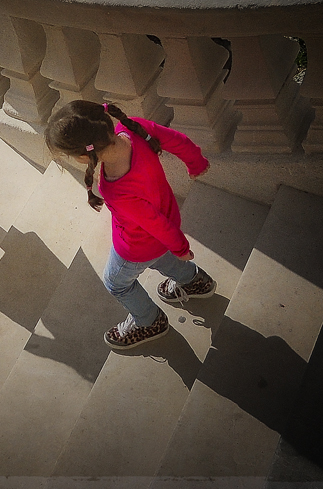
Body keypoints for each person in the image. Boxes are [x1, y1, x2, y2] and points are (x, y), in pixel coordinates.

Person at [44, 100, 217, 349]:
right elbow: (178, 140)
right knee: (160, 254)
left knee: (116, 283)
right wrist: (196, 163)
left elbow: (155, 225)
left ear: (84, 156)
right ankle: (194, 281)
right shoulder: (135, 129)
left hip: (136, 246)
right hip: (166, 219)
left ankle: (149, 322)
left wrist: (180, 248)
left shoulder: (117, 188)